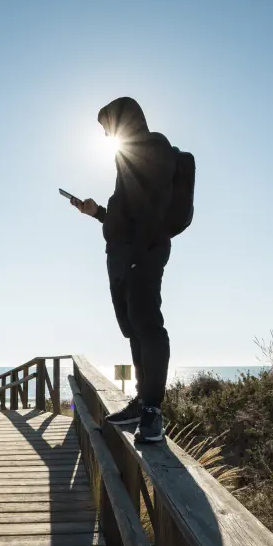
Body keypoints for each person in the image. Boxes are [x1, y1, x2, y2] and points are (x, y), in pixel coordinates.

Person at [72, 97, 177, 443]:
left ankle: (153, 412)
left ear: (123, 120)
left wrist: (139, 253)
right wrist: (97, 212)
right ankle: (141, 401)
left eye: (107, 127)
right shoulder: (125, 159)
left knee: (148, 325)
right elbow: (125, 214)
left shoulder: (154, 146)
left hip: (141, 256)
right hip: (122, 259)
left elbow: (154, 207)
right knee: (133, 328)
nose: (105, 135)